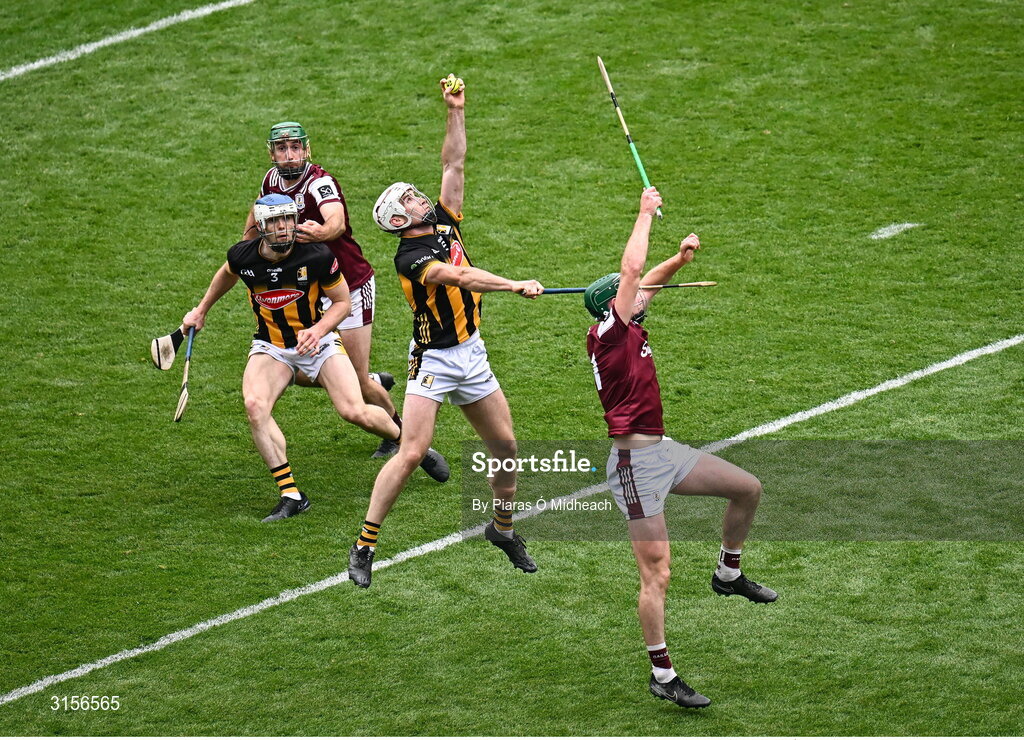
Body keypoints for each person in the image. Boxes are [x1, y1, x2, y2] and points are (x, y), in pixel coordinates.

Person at [346, 74, 545, 588]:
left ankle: (502, 530)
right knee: (412, 452)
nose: (419, 198)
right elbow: (456, 275)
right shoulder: (410, 257)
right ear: (396, 219)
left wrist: (455, 110)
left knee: (506, 449)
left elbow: (453, 163)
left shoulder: (443, 223)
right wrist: (513, 284)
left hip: (471, 354)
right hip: (433, 360)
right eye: (410, 200)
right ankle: (365, 544)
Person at [585, 186, 778, 709]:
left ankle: (728, 573)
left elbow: (643, 281)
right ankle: (662, 673)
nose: (644, 296)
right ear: (615, 306)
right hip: (634, 465)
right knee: (658, 573)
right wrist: (644, 214)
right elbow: (631, 271)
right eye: (633, 296)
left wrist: (678, 257)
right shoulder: (609, 336)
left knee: (747, 489)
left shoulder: (624, 323)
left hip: (664, 451)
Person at [181, 194, 446, 522]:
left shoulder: (318, 255)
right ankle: (291, 495)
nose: (283, 228)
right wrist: (201, 310)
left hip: (318, 344)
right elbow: (227, 273)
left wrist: (318, 330)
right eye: (275, 222)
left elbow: (341, 303)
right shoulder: (243, 256)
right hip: (272, 346)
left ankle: (410, 445)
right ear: (261, 227)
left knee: (354, 410)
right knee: (255, 407)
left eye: (287, 220)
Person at [242, 121, 410, 463]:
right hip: (309, 290)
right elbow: (252, 225)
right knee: (296, 371)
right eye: (281, 149)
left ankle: (399, 433)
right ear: (271, 153)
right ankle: (372, 380)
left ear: (307, 149)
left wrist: (318, 233)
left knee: (358, 383)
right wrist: (251, 247)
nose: (289, 156)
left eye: (295, 148)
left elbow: (337, 223)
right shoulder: (270, 182)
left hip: (349, 286)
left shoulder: (319, 183)